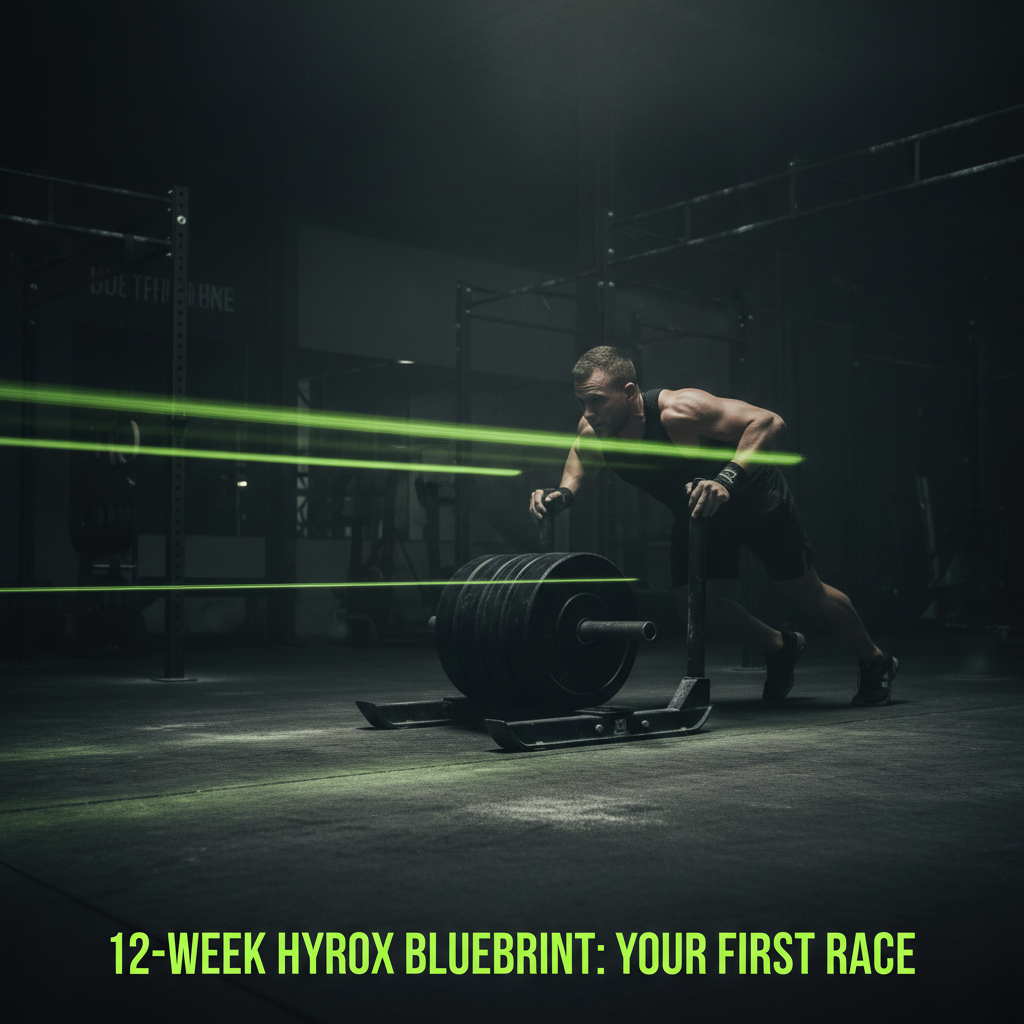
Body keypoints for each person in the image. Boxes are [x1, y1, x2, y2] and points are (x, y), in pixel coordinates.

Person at [528, 345, 898, 706]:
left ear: (628, 392)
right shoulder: (596, 429)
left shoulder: (678, 410)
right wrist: (564, 493)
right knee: (698, 609)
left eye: (596, 401)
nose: (588, 412)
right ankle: (780, 646)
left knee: (806, 592)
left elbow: (769, 422)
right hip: (699, 513)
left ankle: (875, 658)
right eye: (582, 402)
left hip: (755, 500)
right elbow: (582, 455)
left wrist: (726, 479)